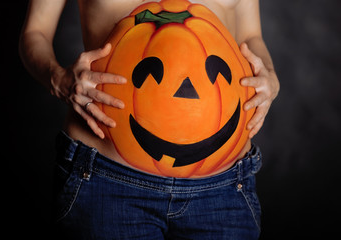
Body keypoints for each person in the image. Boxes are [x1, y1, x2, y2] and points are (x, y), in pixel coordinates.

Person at [19, 0, 279, 239]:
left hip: (225, 188)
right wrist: (58, 78)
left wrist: (269, 75)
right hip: (106, 183)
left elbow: (250, 36)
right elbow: (35, 33)